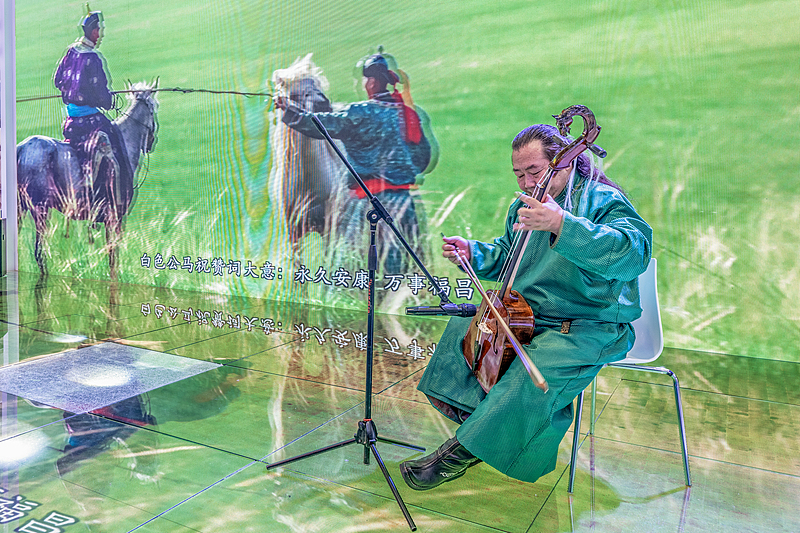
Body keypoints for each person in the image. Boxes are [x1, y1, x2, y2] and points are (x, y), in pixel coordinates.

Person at [399, 123, 652, 490]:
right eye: (519, 174)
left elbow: (634, 252)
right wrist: (474, 252)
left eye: (534, 171)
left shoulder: (601, 200)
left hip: (586, 324)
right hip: (526, 315)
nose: (526, 182)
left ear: (564, 162)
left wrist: (563, 224)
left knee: (535, 373)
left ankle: (458, 454)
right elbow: (509, 255)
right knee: (463, 330)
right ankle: (486, 427)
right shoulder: (524, 206)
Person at [274, 52, 433, 274]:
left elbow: (319, 125)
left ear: (372, 82)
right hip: (405, 203)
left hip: (369, 204)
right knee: (407, 269)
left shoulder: (360, 113)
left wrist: (288, 109)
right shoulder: (408, 114)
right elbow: (422, 159)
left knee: (355, 271)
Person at [53, 8, 134, 218]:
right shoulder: (93, 58)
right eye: (100, 29)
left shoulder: (70, 52)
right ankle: (112, 201)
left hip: (70, 120)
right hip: (89, 120)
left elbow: (57, 80)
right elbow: (102, 97)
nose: (102, 34)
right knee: (115, 140)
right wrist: (109, 101)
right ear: (93, 31)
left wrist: (72, 91)